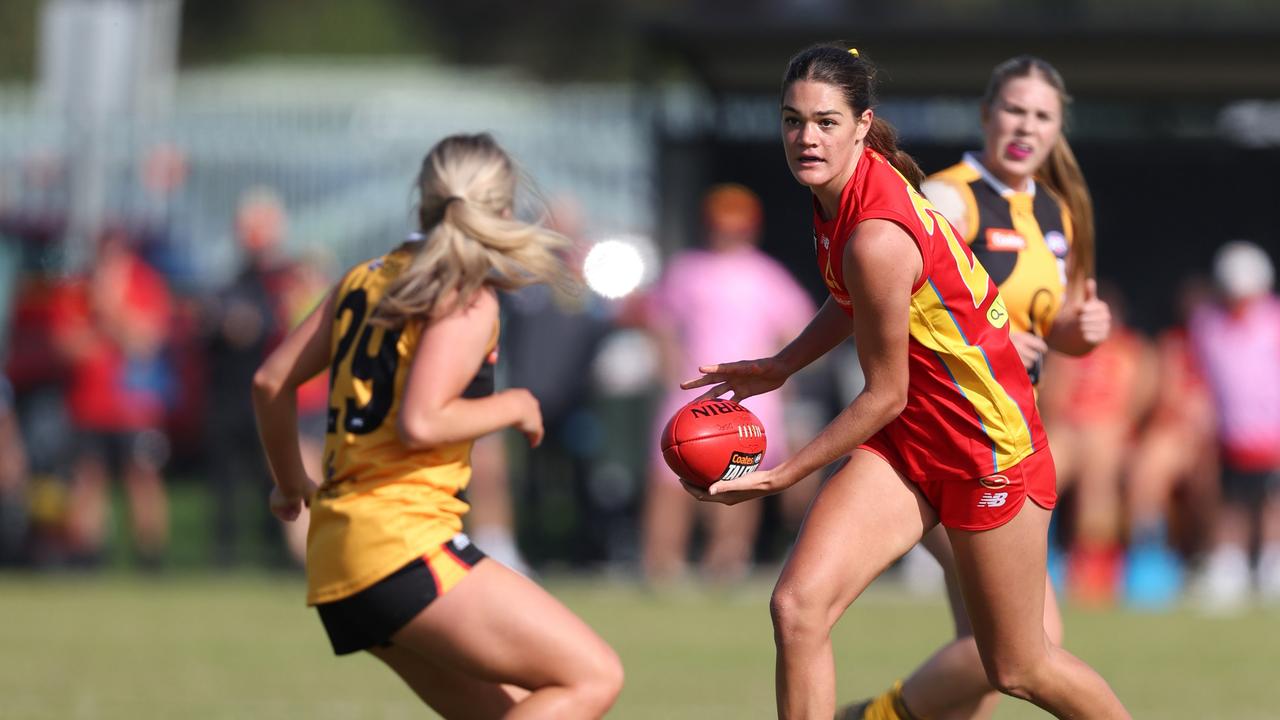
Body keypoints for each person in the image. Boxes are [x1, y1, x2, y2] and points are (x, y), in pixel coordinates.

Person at [681, 44, 1129, 719]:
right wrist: (781, 366)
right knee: (798, 608)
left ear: (863, 124)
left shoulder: (876, 232)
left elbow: (883, 390)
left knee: (1018, 664)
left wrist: (787, 474)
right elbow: (856, 300)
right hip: (908, 442)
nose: (806, 137)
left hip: (987, 452)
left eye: (826, 122)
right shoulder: (838, 200)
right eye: (792, 120)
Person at [251, 133, 623, 718]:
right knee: (592, 678)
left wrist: (289, 480)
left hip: (339, 554)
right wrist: (514, 404)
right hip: (402, 543)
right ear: (500, 211)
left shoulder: (364, 278)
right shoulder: (467, 297)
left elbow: (269, 383)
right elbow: (423, 420)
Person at [847, 54, 1114, 719]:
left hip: (1006, 439)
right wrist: (993, 343)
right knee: (1030, 644)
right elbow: (893, 312)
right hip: (939, 439)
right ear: (987, 114)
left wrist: (1083, 329)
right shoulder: (947, 198)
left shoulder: (1059, 211)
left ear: (1059, 129)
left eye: (1042, 115)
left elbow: (1054, 336)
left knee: (987, 650)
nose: (1026, 126)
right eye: (1014, 109)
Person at [641, 183, 814, 586]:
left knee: (740, 476)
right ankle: (662, 563)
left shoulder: (766, 274)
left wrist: (779, 376)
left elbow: (796, 326)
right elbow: (660, 321)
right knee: (669, 474)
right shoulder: (687, 269)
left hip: (751, 394)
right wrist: (668, 367)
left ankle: (727, 561)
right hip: (690, 387)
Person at [50, 229, 173, 568]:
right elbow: (68, 347)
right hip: (88, 408)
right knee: (88, 479)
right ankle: (88, 555)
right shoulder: (74, 290)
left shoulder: (145, 285)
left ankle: (150, 557)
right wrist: (108, 331)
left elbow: (145, 342)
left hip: (136, 408)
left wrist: (110, 310)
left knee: (143, 478)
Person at [1188, 240, 1280, 611]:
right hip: (1228, 432)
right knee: (1231, 503)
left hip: (1271, 431)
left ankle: (1273, 564)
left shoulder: (1274, 320)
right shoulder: (1207, 324)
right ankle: (1230, 565)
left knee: (1273, 502)